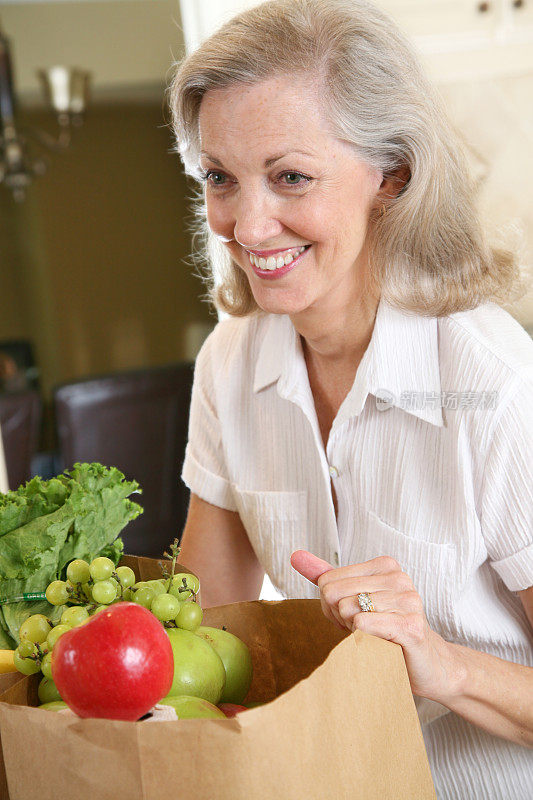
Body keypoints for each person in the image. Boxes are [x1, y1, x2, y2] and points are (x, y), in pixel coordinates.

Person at [168, 1, 533, 796]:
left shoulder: (495, 383)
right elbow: (196, 627)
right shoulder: (229, 363)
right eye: (219, 177)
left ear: (391, 176)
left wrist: (441, 664)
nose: (246, 223)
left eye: (290, 176)